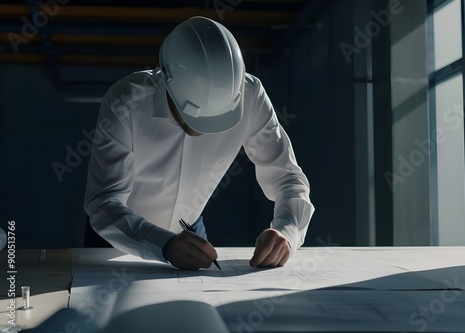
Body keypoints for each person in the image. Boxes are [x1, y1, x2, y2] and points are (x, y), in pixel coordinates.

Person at [84, 16, 314, 270]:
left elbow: (288, 179)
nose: (203, 130)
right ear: (168, 82)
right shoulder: (125, 103)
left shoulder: (251, 97)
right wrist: (164, 244)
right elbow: (104, 202)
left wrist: (287, 232)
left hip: (191, 229)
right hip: (119, 238)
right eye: (192, 115)